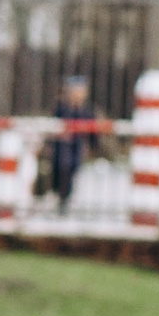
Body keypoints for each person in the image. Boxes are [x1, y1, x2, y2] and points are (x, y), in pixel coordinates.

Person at [49, 73, 97, 213]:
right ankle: (59, 195)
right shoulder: (61, 109)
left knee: (70, 171)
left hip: (76, 148)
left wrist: (93, 145)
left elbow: (93, 132)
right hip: (60, 147)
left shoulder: (87, 111)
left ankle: (64, 199)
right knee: (59, 170)